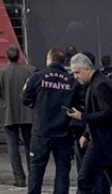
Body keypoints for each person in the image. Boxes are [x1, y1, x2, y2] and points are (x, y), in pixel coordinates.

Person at [67, 54, 112, 194]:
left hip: (103, 141)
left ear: (87, 69)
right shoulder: (96, 82)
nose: (75, 77)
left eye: (77, 72)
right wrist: (86, 134)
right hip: (106, 140)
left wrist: (83, 117)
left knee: (85, 180)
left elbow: (108, 113)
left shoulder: (100, 84)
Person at [22, 48, 76, 194]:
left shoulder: (37, 77)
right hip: (64, 131)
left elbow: (25, 99)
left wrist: (37, 106)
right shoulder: (71, 80)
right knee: (63, 170)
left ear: (49, 60)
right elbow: (77, 103)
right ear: (63, 61)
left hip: (41, 131)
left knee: (36, 169)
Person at [0, 45, 36, 187]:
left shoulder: (0, 73)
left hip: (8, 114)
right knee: (30, 145)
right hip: (27, 113)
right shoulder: (30, 70)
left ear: (7, 57)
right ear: (19, 56)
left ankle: (19, 179)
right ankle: (33, 177)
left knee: (13, 147)